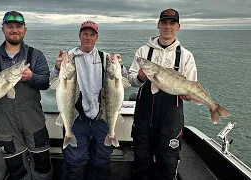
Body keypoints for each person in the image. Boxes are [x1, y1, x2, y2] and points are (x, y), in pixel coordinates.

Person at [0, 11, 52, 180]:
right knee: (16, 169)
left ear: (25, 30)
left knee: (42, 165)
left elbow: (46, 82)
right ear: (3, 29)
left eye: (18, 27)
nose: (14, 30)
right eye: (9, 26)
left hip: (34, 121)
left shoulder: (35, 55)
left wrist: (32, 77)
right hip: (5, 124)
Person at [50, 20, 128, 180]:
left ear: (97, 37)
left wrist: (120, 65)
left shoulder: (105, 57)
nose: (88, 37)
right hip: (76, 118)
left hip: (101, 118)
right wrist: (58, 67)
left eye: (92, 34)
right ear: (79, 35)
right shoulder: (69, 57)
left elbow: (122, 79)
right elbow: (52, 81)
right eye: (85, 34)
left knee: (102, 161)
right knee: (75, 162)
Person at [128, 8, 197, 180]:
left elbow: (191, 86)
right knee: (141, 162)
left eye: (172, 23)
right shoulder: (143, 52)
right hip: (143, 118)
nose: (168, 27)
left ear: (178, 26)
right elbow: (131, 80)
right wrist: (139, 77)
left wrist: (188, 96)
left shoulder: (186, 56)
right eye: (164, 23)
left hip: (171, 120)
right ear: (158, 25)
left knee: (167, 163)